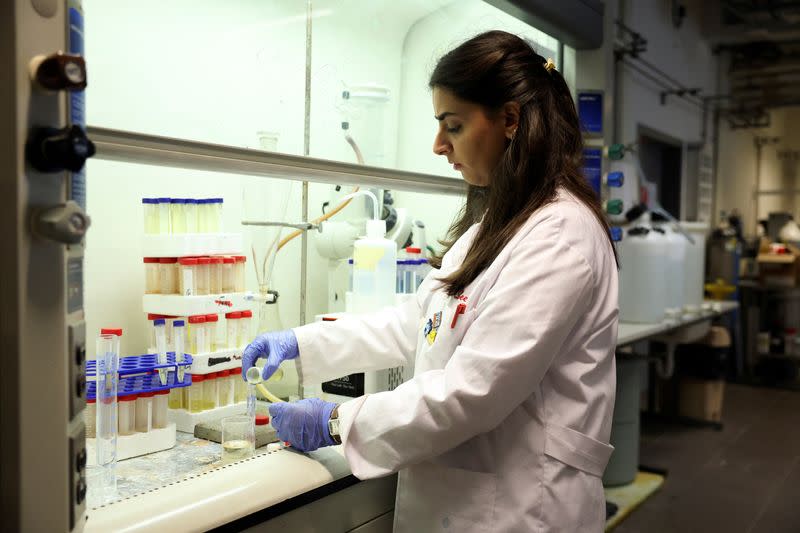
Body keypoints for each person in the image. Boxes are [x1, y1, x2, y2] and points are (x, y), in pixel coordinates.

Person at [243, 30, 618, 532]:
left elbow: (472, 394)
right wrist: (301, 342)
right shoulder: (500, 224)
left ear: (509, 119)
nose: (439, 145)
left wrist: (335, 421)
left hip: (525, 505)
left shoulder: (560, 236)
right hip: (472, 496)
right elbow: (419, 323)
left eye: (454, 125)